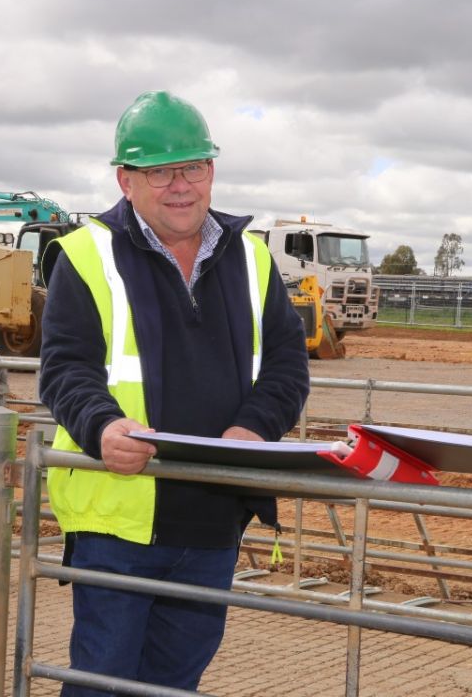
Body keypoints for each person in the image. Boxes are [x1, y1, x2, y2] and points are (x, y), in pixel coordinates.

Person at [39, 90, 310, 695]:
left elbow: (288, 367)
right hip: (119, 517)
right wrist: (103, 426)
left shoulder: (253, 259)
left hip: (213, 516)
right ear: (126, 180)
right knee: (102, 681)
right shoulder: (86, 256)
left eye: (191, 166)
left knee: (174, 683)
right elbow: (64, 368)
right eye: (159, 171)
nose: (179, 184)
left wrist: (253, 430)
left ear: (211, 171)